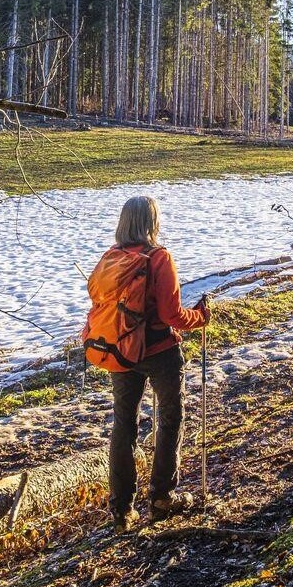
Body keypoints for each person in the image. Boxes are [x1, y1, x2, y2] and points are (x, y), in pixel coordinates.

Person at [94, 195, 210, 531]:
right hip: (159, 351)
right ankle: (162, 496)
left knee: (124, 426)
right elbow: (171, 315)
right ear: (152, 222)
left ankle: (121, 511)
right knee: (170, 417)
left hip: (121, 350)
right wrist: (200, 317)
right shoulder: (159, 258)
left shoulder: (110, 258)